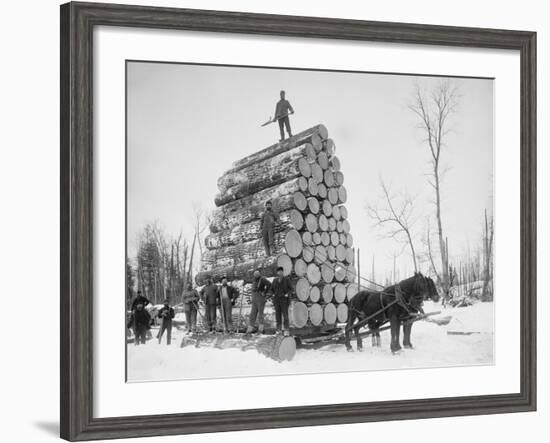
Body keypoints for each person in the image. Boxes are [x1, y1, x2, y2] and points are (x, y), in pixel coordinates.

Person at [271, 266, 292, 335]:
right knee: (278, 315)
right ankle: (278, 329)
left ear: (283, 272)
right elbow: (271, 289)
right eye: (278, 271)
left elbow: (291, 289)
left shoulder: (287, 279)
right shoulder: (275, 280)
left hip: (284, 300)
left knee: (285, 315)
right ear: (277, 272)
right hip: (277, 300)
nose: (279, 272)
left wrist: (287, 294)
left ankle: (286, 330)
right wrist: (273, 294)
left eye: (281, 271)